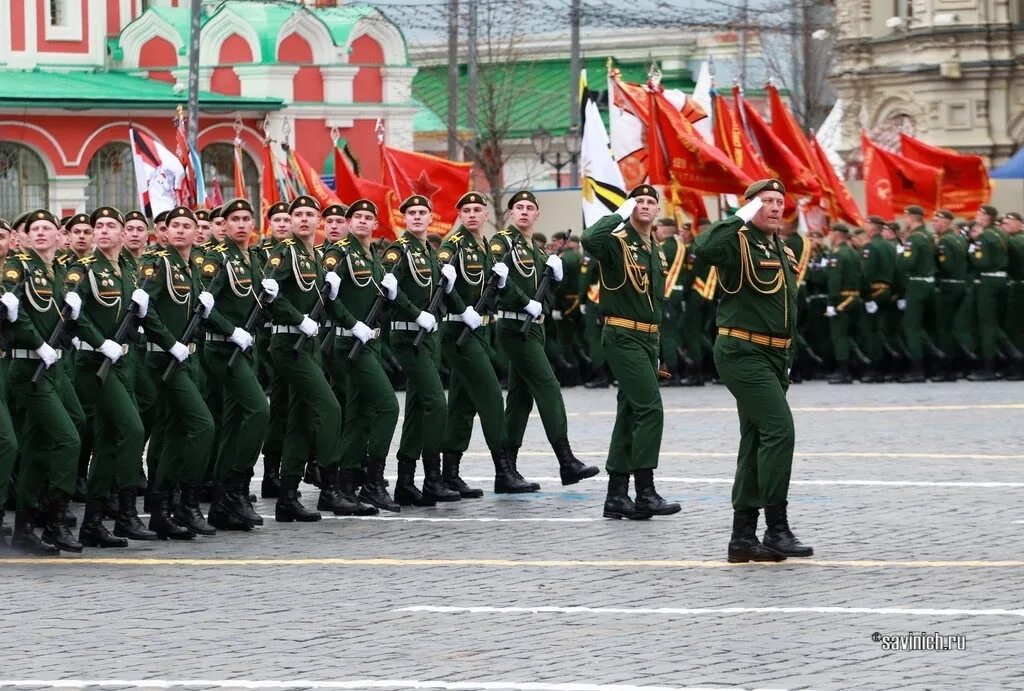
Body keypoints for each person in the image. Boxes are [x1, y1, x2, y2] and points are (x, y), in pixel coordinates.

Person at [692, 178, 812, 563]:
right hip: (742, 350)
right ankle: (776, 528)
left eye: (780, 201)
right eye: (767, 202)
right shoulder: (735, 241)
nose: (776, 207)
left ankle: (742, 537)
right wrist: (740, 215)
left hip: (776, 355)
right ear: (749, 207)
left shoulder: (782, 246)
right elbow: (704, 247)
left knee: (756, 439)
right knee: (779, 430)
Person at [582, 185, 680, 519]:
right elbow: (589, 239)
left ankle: (616, 496)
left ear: (658, 211)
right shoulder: (617, 242)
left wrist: (660, 350)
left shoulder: (657, 248)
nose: (645, 206)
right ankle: (646, 491)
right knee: (651, 409)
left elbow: (656, 303)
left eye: (651, 202)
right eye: (639, 201)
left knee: (629, 414)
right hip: (622, 334)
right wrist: (620, 213)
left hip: (647, 338)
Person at [490, 190, 598, 488]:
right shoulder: (503, 242)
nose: (524, 212)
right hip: (514, 326)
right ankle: (566, 461)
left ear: (537, 215)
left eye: (530, 208)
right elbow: (500, 279)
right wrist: (524, 301)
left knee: (520, 398)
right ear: (511, 213)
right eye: (519, 207)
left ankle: (506, 471)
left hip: (535, 327)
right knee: (548, 388)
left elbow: (547, 292)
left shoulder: (536, 250)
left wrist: (555, 276)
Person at [68, 207, 162, 542]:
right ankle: (125, 513)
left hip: (123, 364)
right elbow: (73, 316)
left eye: (111, 225)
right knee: (133, 430)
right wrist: (99, 341)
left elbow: (138, 319)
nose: (104, 231)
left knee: (108, 441)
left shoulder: (129, 271)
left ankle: (92, 524)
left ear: (124, 233)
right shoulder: (83, 269)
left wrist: (166, 338)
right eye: (99, 226)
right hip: (95, 365)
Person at [438, 192, 536, 495]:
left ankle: (449, 473)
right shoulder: (451, 245)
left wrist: (520, 297)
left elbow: (494, 289)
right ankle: (503, 471)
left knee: (462, 404)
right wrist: (461, 309)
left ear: (485, 215)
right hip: (458, 331)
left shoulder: (485, 246)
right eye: (465, 210)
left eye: (477, 210)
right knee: (492, 398)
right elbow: (443, 285)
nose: (471, 215)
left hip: (479, 330)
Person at [382, 195, 476, 505]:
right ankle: (433, 478)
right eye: (412, 213)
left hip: (429, 337)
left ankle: (406, 482)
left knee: (417, 410)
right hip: (408, 337)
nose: (418, 217)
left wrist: (461, 308)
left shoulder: (429, 252)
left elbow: (439, 295)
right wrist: (413, 312)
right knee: (436, 404)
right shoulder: (399, 251)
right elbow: (389, 292)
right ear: (404, 219)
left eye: (423, 212)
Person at [2, 210, 84, 553]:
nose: (39, 233)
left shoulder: (60, 270)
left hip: (52, 367)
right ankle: (55, 519)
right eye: (34, 229)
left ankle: (25, 527)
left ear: (57, 235)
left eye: (46, 228)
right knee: (68, 440)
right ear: (24, 237)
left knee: (37, 448)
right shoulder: (19, 266)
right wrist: (38, 343)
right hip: (28, 368)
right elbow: (12, 311)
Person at [138, 205, 216, 538]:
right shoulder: (159, 264)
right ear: (165, 232)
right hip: (164, 359)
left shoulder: (192, 265)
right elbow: (146, 311)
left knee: (173, 433)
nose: (183, 231)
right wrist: (170, 343)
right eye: (176, 226)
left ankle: (161, 508)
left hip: (189, 359)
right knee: (203, 425)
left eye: (189, 225)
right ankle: (188, 500)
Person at [200, 198, 271, 530]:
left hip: (247, 350)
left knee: (233, 422)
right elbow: (204, 306)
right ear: (224, 225)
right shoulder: (218, 259)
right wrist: (230, 331)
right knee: (259, 410)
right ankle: (236, 488)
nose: (241, 224)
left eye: (246, 218)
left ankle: (220, 503)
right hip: (222, 351)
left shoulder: (253, 258)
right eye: (235, 219)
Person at [966, 205, 1008, 380]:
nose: (977, 217)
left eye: (979, 214)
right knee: (996, 324)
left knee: (987, 326)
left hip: (988, 281)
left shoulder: (984, 236)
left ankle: (989, 368)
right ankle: (1010, 359)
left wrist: (971, 253)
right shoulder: (1001, 234)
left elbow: (981, 262)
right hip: (1001, 279)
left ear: (986, 217)